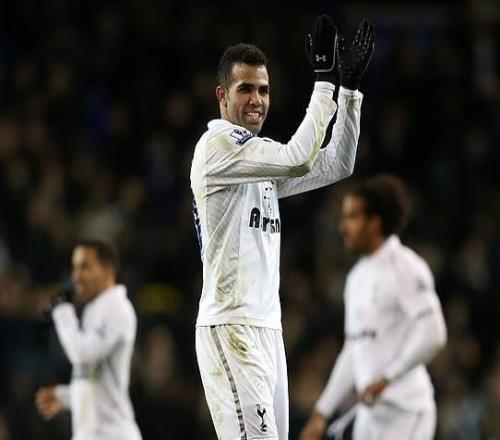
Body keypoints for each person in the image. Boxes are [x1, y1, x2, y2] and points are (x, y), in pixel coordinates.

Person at [190, 14, 374, 440]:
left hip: (267, 330)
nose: (257, 99)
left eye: (264, 90)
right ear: (222, 95)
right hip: (231, 327)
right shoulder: (217, 146)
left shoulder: (257, 157)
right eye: (245, 89)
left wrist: (349, 91)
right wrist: (324, 84)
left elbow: (337, 163)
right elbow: (299, 157)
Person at [300, 175, 447, 440]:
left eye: (352, 218)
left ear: (374, 223)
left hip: (406, 412)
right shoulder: (356, 278)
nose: (342, 228)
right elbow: (353, 348)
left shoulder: (405, 267)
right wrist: (322, 412)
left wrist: (387, 377)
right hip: (370, 416)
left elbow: (434, 332)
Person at [35, 240, 142, 440]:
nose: (76, 276)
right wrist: (64, 396)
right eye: (74, 268)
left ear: (108, 272)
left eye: (85, 267)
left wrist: (62, 313)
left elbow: (81, 355)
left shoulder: (117, 308)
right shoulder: (95, 309)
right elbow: (96, 382)